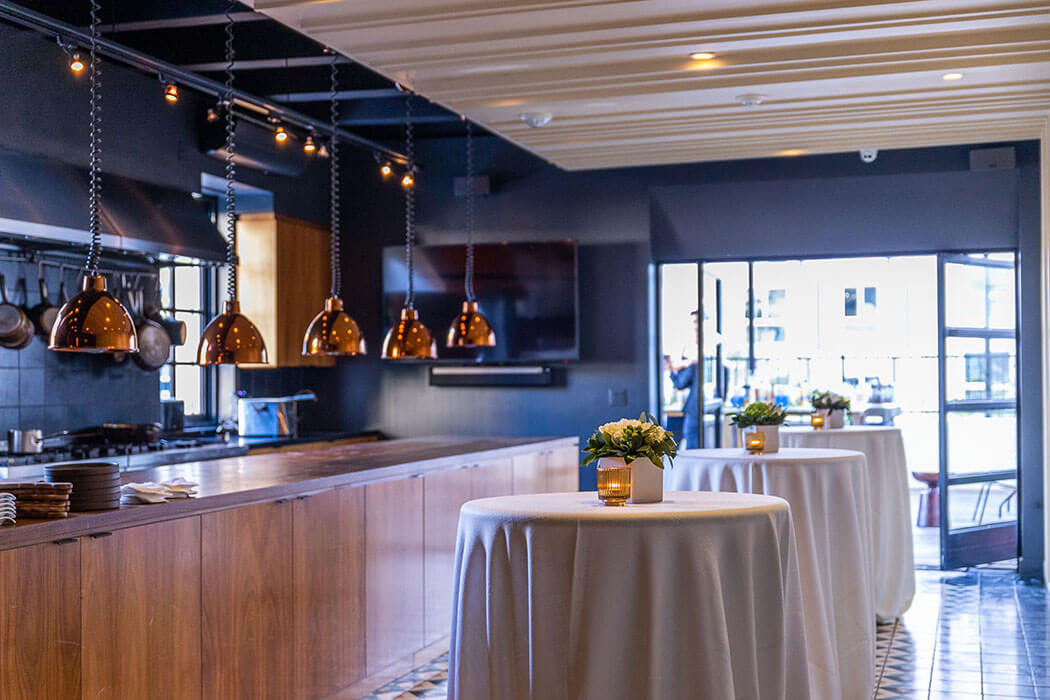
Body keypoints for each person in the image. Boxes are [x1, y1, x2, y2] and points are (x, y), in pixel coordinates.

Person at [665, 310, 699, 449]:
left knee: (689, 436)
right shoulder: (697, 354)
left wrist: (672, 370)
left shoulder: (695, 355)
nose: (695, 327)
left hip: (694, 406)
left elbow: (680, 383)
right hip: (698, 405)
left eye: (696, 322)